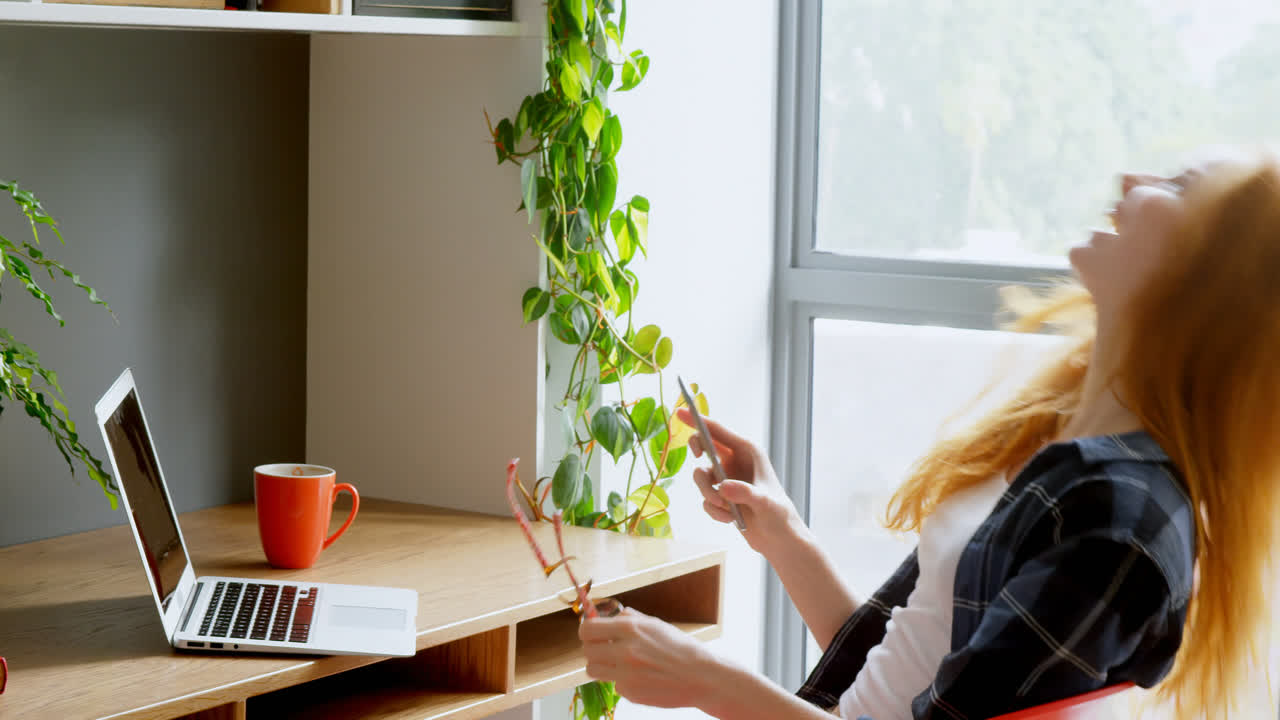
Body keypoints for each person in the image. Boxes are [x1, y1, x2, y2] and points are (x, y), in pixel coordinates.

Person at [580, 151, 1280, 719]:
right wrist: (784, 535)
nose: (1133, 178)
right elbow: (905, 668)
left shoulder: (1121, 523)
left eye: (1177, 187)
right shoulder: (1052, 438)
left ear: (1215, 290)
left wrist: (706, 680)